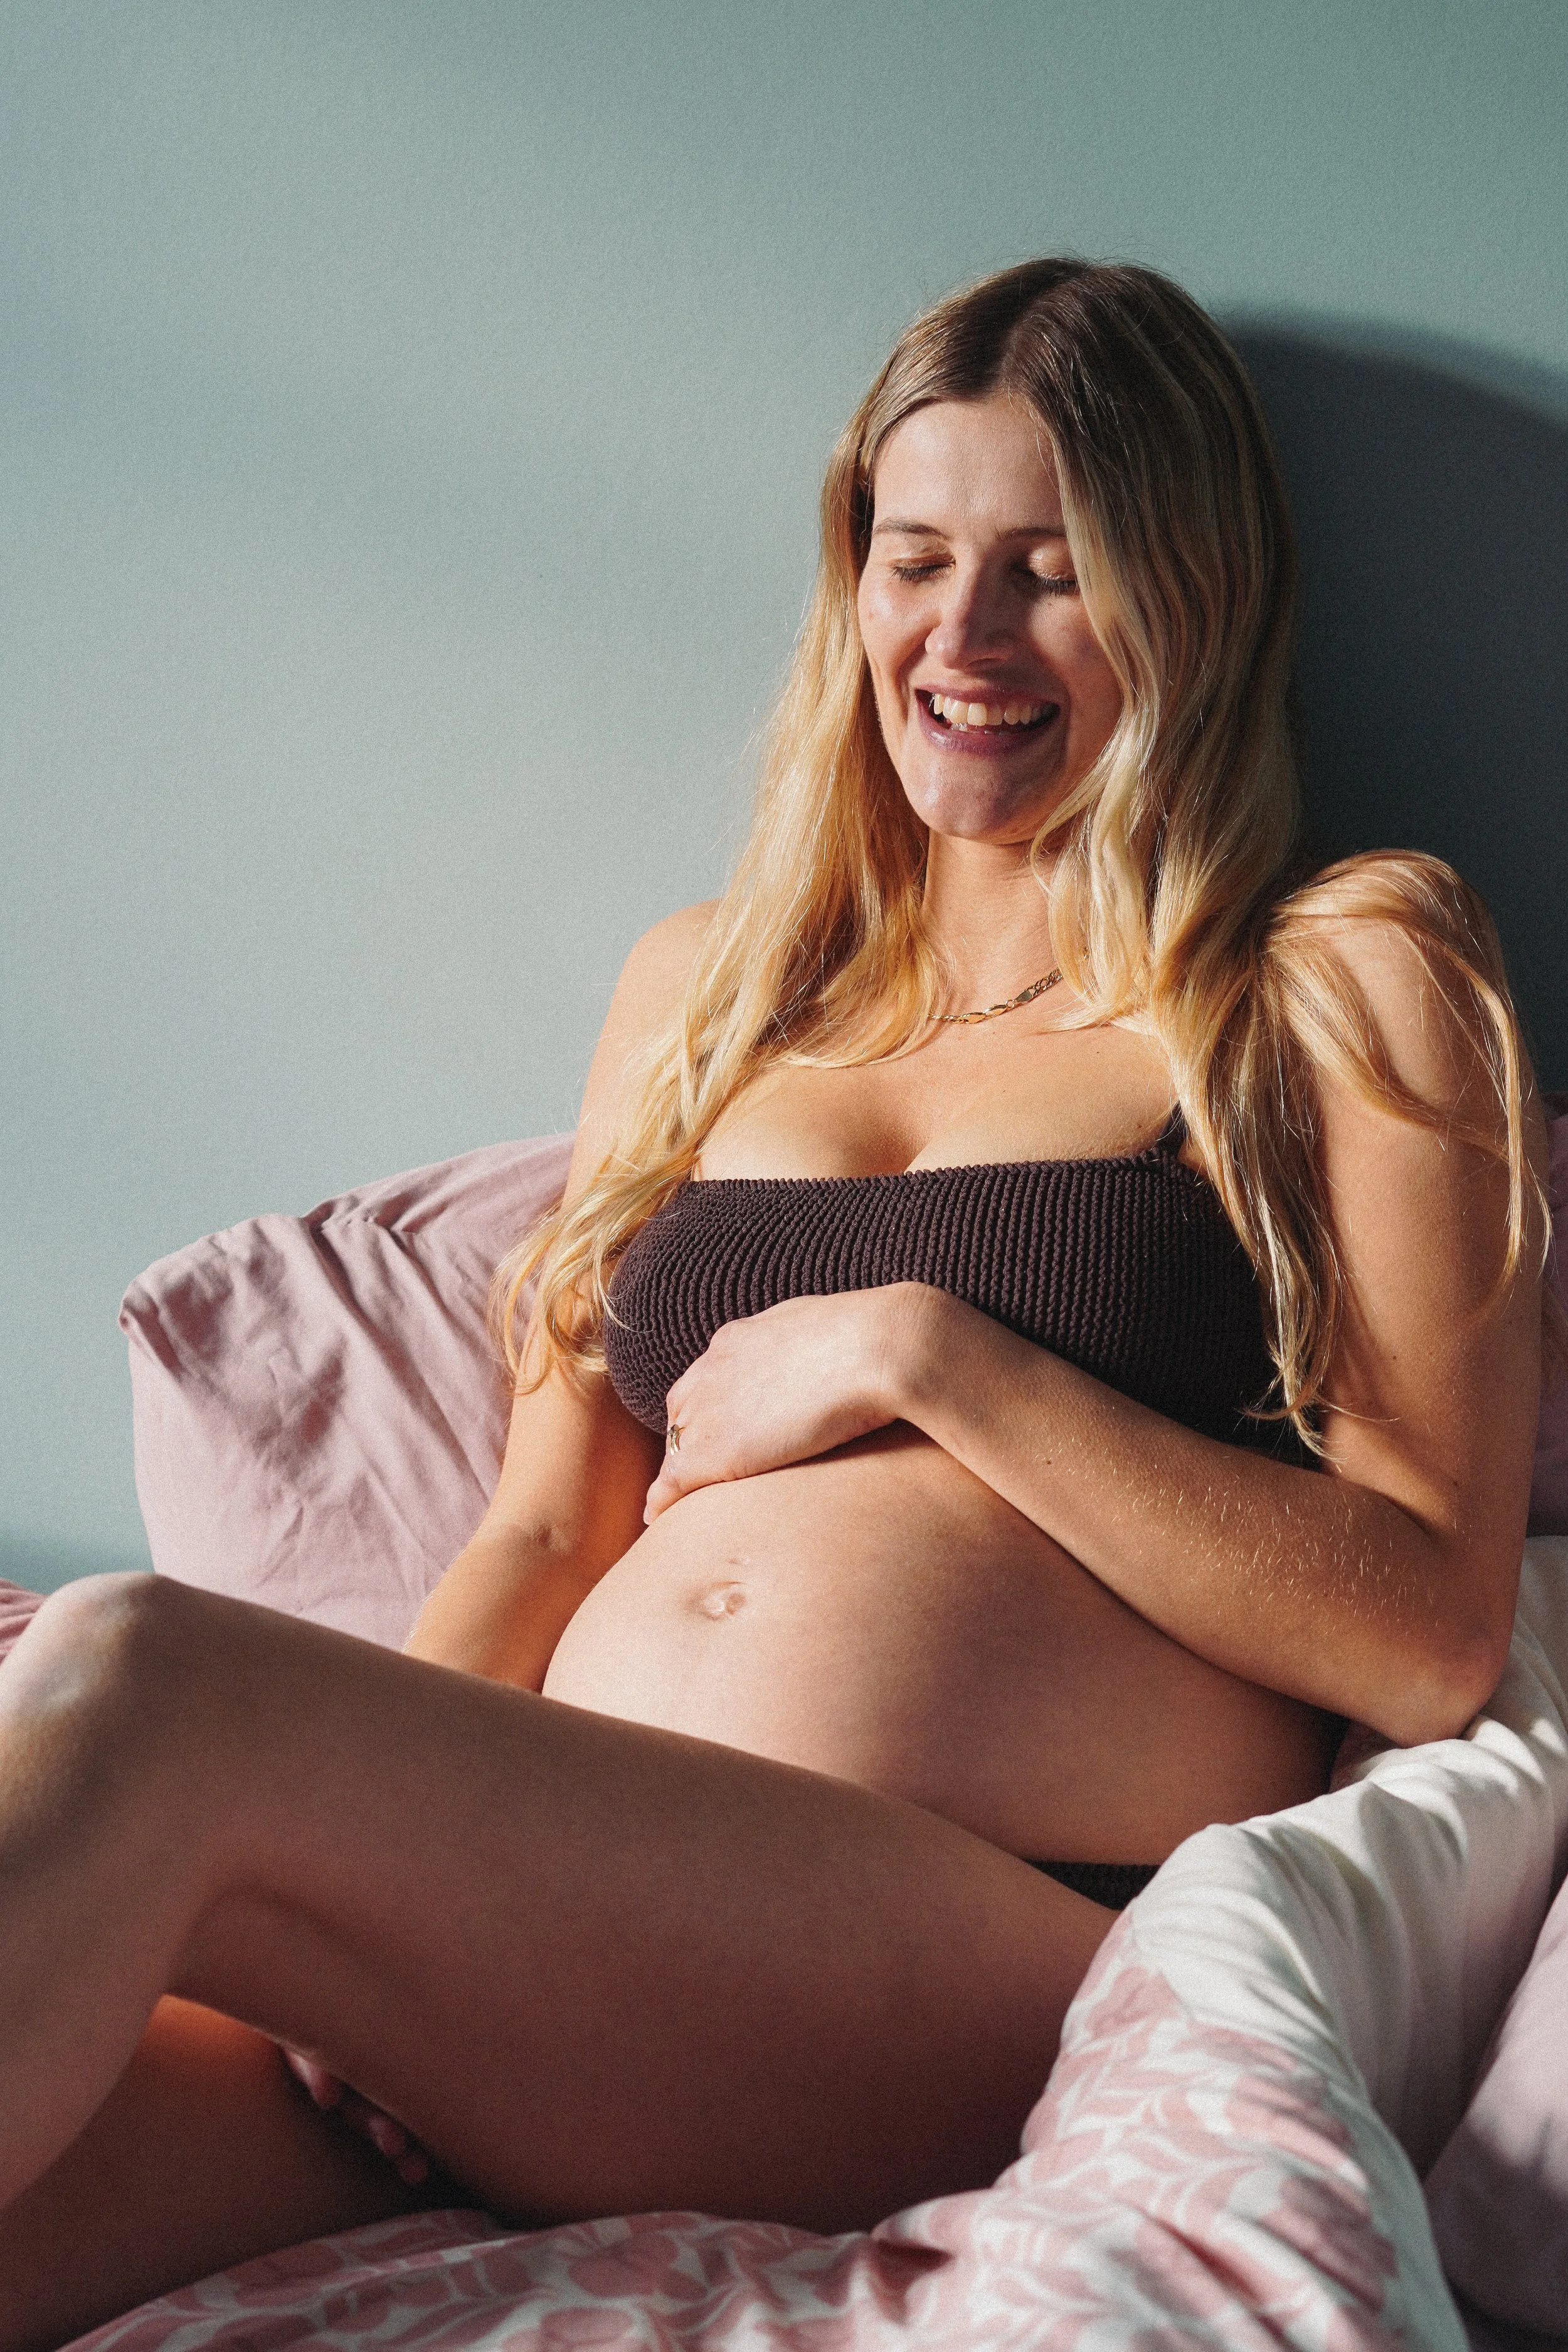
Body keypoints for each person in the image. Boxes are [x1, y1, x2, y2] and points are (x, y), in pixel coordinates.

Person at [0, 257, 1550, 2349]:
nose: (962, 640)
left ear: (1194, 602)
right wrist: (376, 1876)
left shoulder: (1336, 970)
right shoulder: (709, 988)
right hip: (560, 1933)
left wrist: (930, 1354)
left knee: (135, 1678)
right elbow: (541, 1528)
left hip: (975, 1944)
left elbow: (1422, 1627)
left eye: (1049, 573)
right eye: (914, 561)